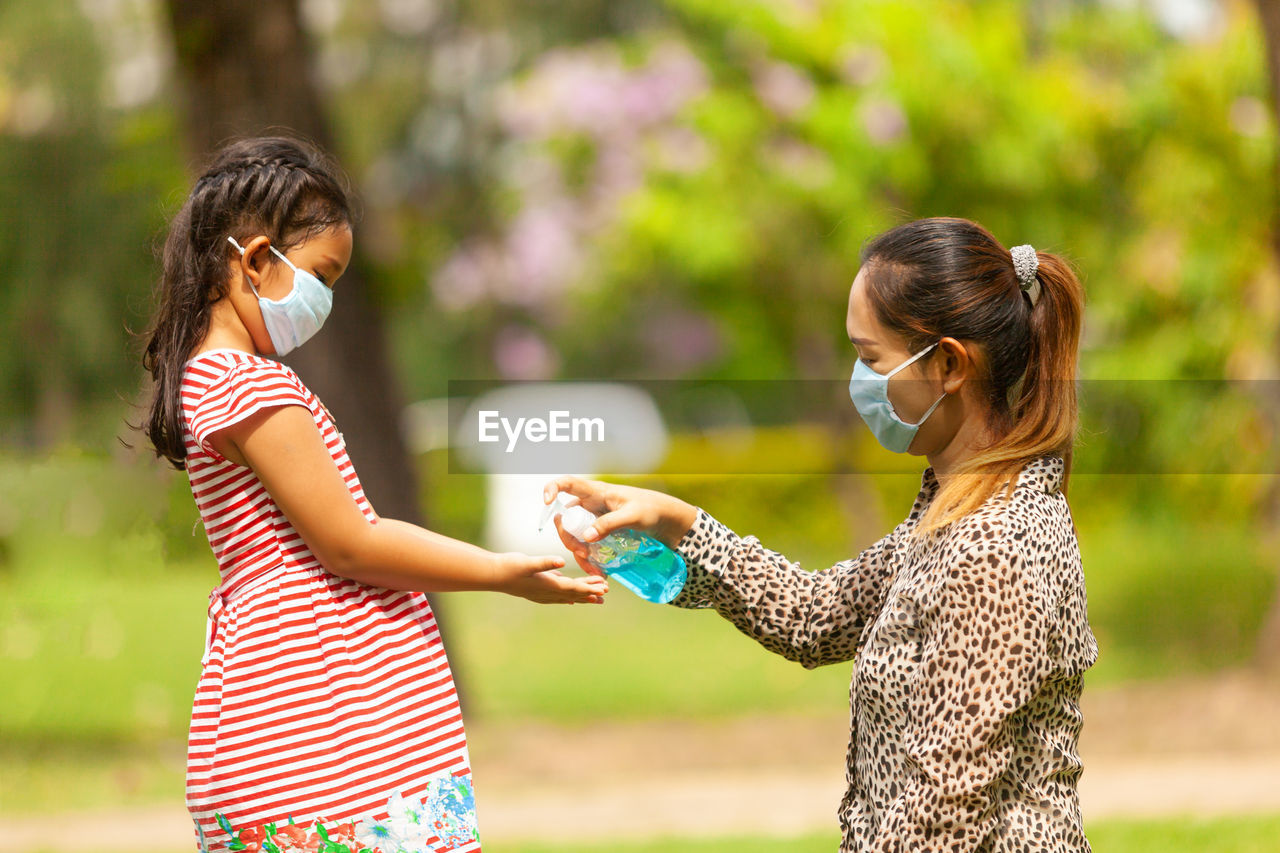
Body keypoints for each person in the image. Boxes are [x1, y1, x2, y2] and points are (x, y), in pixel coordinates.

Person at [546, 217, 1097, 853]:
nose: (857, 380)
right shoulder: (954, 514)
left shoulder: (992, 547)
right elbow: (816, 616)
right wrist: (681, 525)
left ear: (947, 363)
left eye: (869, 359)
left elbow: (945, 810)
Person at [140, 135, 608, 853]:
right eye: (322, 277)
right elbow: (352, 541)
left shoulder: (207, 381)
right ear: (257, 259)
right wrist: (502, 572)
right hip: (329, 738)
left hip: (276, 718)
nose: (324, 302)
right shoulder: (251, 385)